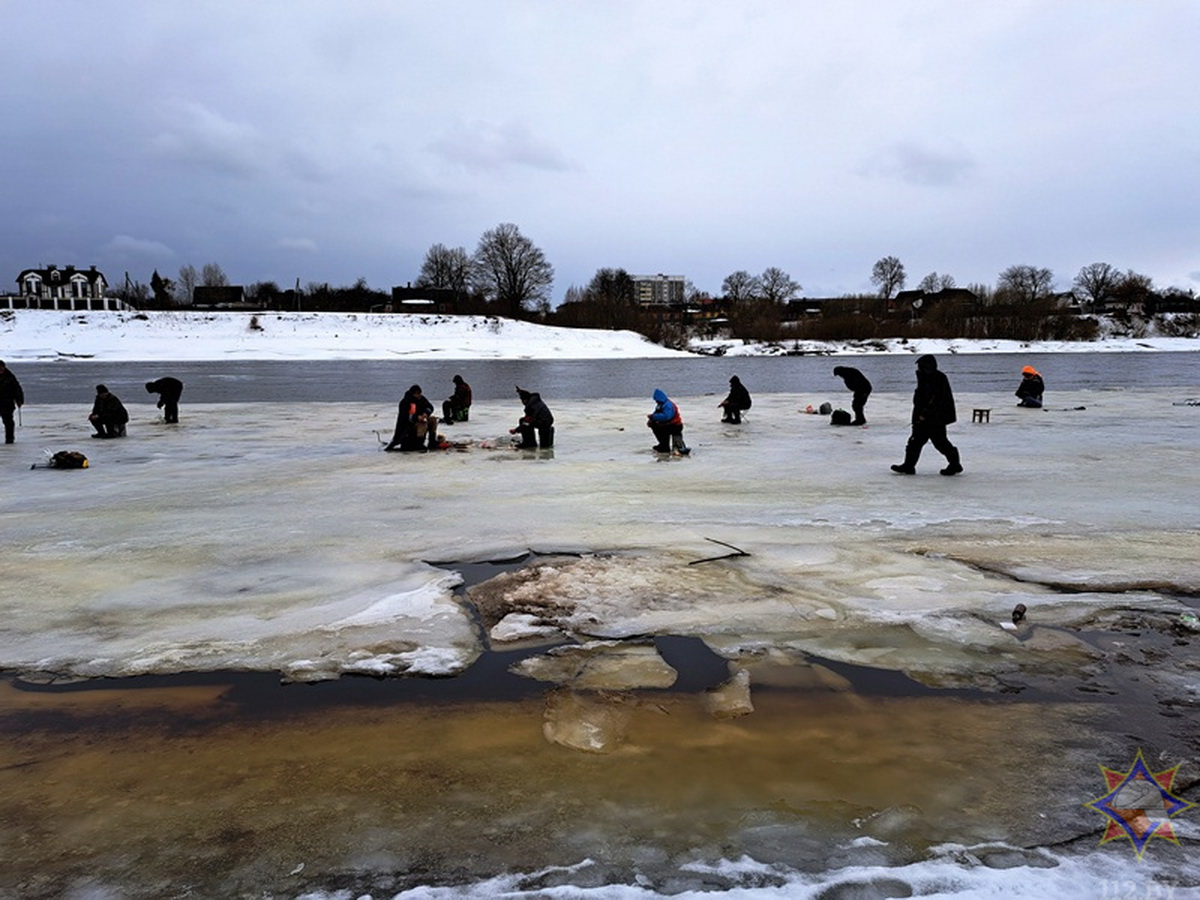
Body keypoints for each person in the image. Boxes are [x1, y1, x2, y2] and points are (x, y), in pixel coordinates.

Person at [891, 355, 962, 476]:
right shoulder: (926, 377)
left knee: (940, 442)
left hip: (934, 418)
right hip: (926, 417)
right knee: (915, 441)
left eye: (921, 366)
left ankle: (955, 464)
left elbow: (935, 399)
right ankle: (908, 465)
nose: (919, 369)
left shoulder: (937, 378)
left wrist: (925, 414)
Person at [384, 384, 439, 452]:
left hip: (421, 419)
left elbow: (430, 407)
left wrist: (426, 413)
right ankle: (419, 443)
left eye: (420, 393)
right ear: (413, 394)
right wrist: (417, 417)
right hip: (408, 426)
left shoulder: (421, 399)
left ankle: (432, 441)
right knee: (422, 424)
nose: (419, 395)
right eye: (417, 394)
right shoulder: (405, 402)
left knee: (433, 420)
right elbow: (405, 417)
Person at [647, 388, 690, 456]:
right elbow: (657, 414)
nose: (656, 401)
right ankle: (664, 445)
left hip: (675, 426)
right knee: (656, 427)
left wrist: (653, 417)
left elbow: (667, 416)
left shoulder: (668, 405)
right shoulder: (660, 405)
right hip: (667, 425)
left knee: (668, 433)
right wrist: (651, 420)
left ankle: (675, 447)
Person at [0, 360, 24, 445]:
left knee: (8, 421)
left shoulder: (10, 377)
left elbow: (17, 389)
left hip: (7, 403)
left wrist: (19, 400)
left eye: (1, 368)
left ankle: (10, 438)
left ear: (4, 367)